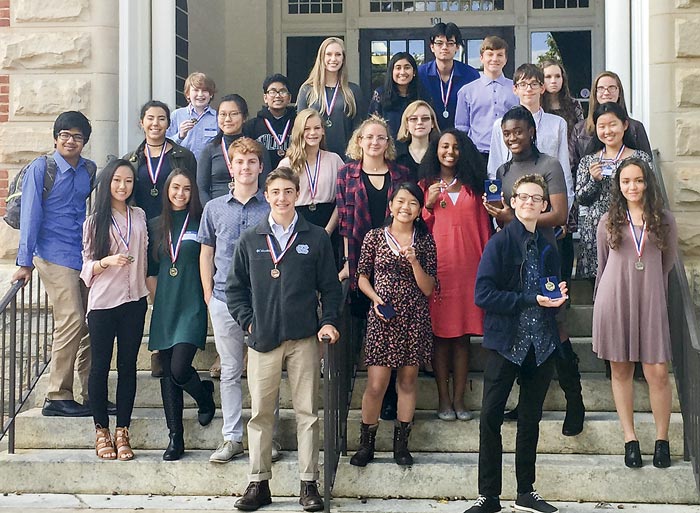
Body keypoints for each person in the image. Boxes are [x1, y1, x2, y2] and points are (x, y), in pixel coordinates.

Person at [227, 167, 342, 512]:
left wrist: (328, 322)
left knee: (307, 412)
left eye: (288, 191)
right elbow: (234, 290)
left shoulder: (316, 237)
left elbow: (331, 289)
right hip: (263, 340)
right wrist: (249, 324)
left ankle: (309, 484)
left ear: (298, 195)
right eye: (275, 191)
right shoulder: (251, 238)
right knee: (261, 414)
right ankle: (258, 484)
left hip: (304, 338)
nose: (282, 198)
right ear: (267, 195)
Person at [466, 174, 567, 513]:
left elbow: (553, 291)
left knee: (530, 419)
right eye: (523, 197)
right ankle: (489, 496)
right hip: (506, 343)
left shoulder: (549, 243)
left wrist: (558, 300)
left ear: (544, 205)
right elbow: (483, 294)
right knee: (490, 417)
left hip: (542, 344)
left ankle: (526, 491)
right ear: (512, 201)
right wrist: (528, 299)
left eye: (536, 198)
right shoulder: (499, 243)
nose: (529, 203)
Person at [484, 106, 585, 438]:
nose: (512, 137)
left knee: (555, 323)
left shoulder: (548, 165)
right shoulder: (502, 169)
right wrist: (500, 214)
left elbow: (557, 214)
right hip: (514, 257)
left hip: (545, 256)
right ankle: (523, 400)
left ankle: (575, 399)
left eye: (518, 131)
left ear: (531, 131)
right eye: (507, 133)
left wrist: (515, 217)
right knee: (519, 324)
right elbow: (507, 217)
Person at [592, 158, 676, 469]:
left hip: (651, 298)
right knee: (621, 371)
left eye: (638, 180)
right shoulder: (608, 220)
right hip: (615, 299)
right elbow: (602, 266)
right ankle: (630, 440)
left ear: (647, 183)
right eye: (626, 181)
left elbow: (666, 265)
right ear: (619, 185)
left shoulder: (664, 220)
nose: (632, 187)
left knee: (657, 372)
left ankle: (662, 440)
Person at [13, 111, 95, 417]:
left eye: (77, 136)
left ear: (85, 141)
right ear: (56, 137)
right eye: (65, 135)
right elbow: (30, 214)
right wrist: (24, 262)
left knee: (90, 322)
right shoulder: (42, 167)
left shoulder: (89, 169)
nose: (70, 141)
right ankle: (57, 394)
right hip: (52, 254)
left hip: (82, 253)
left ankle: (92, 392)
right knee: (72, 318)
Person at [349, 182, 437, 468]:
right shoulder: (374, 237)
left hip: (414, 317)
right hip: (382, 317)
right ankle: (366, 444)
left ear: (419, 209)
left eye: (413, 202)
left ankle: (402, 444)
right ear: (391, 205)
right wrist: (375, 299)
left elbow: (428, 288)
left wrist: (414, 262)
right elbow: (362, 276)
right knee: (376, 384)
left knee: (408, 381)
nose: (405, 207)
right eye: (400, 201)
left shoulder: (424, 241)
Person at [197, 137, 271, 465]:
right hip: (224, 298)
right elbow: (206, 251)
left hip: (261, 302)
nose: (245, 168)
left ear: (260, 167)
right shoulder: (214, 208)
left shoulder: (271, 207)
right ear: (231, 166)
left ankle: (264, 437)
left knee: (262, 372)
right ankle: (232, 437)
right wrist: (207, 292)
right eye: (239, 162)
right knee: (229, 370)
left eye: (251, 162)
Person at [336, 115, 410, 421]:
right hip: (361, 259)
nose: (375, 142)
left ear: (388, 143)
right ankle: (371, 391)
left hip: (396, 262)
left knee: (395, 328)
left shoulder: (401, 173)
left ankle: (392, 394)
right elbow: (344, 221)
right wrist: (346, 263)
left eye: (381, 137)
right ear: (359, 141)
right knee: (371, 329)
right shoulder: (346, 174)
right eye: (369, 137)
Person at [418, 130, 491, 422]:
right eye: (445, 146)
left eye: (456, 147)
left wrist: (488, 268)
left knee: (462, 337)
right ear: (436, 150)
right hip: (439, 269)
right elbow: (417, 228)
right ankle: (443, 400)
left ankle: (460, 400)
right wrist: (428, 205)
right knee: (440, 336)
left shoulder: (475, 187)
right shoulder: (426, 186)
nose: (450, 151)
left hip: (470, 268)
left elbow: (485, 229)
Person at [80, 158, 149, 461]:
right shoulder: (95, 221)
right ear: (107, 183)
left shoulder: (140, 215)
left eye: (129, 181)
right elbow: (85, 266)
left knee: (128, 367)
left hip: (134, 300)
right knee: (100, 367)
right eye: (117, 180)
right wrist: (105, 262)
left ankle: (123, 430)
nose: (123, 186)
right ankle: (101, 431)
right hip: (104, 302)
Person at [147, 168, 214, 461]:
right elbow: (150, 270)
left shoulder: (201, 223)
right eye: (175, 187)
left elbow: (209, 261)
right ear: (166, 190)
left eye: (186, 189)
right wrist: (155, 299)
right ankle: (176, 437)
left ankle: (203, 395)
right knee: (166, 372)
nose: (180, 194)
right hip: (165, 304)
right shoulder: (154, 225)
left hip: (192, 302)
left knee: (178, 368)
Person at [575, 102, 652, 281]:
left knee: (629, 279)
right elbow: (581, 198)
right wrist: (594, 181)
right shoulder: (589, 161)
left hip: (630, 228)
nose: (607, 131)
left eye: (612, 124)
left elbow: (650, 193)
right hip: (596, 230)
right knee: (599, 284)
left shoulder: (640, 158)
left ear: (624, 125)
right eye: (602, 126)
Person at [488, 64, 573, 212]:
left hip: (547, 204)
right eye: (523, 84)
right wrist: (498, 216)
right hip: (511, 203)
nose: (529, 89)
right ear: (515, 89)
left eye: (534, 84)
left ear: (542, 88)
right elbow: (494, 168)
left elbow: (564, 168)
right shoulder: (500, 125)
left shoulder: (557, 123)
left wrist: (563, 213)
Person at [278, 108, 345, 266]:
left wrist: (328, 230)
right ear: (299, 132)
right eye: (307, 129)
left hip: (329, 222)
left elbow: (342, 200)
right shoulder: (287, 164)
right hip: (298, 222)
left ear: (323, 130)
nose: (312, 133)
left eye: (317, 128)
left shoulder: (334, 160)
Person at [541, 59, 585, 286]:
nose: (553, 81)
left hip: (570, 170)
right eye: (548, 77)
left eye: (557, 76)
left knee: (565, 229)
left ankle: (566, 282)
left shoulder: (573, 105)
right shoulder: (538, 108)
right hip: (543, 175)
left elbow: (581, 135)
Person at [124, 100, 197, 222]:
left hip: (174, 223)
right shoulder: (130, 159)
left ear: (168, 123)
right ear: (142, 122)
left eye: (161, 119)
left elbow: (194, 193)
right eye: (150, 118)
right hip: (139, 224)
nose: (155, 123)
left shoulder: (185, 156)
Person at [198, 94, 273, 207]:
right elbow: (201, 189)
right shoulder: (209, 150)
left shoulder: (257, 148)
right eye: (223, 114)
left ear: (244, 117)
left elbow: (265, 185)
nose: (227, 119)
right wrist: (212, 212)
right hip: (218, 212)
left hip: (252, 208)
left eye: (233, 114)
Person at [297, 37, 365, 158]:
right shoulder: (307, 90)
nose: (333, 59)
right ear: (321, 57)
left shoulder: (353, 91)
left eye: (338, 54)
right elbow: (300, 129)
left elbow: (359, 129)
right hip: (313, 158)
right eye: (329, 54)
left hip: (347, 158)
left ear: (343, 58)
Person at [454, 35, 519, 161]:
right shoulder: (466, 91)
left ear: (505, 59)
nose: (495, 59)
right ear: (481, 58)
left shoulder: (516, 89)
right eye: (490, 54)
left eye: (500, 55)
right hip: (478, 154)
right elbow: (462, 128)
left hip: (510, 153)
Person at [571, 71, 652, 170]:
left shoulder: (635, 127)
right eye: (601, 88)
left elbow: (647, 168)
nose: (606, 92)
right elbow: (573, 167)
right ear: (595, 93)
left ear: (619, 92)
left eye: (612, 88)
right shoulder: (580, 129)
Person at [417, 22, 479, 131]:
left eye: (450, 43)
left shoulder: (471, 75)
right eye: (439, 43)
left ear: (457, 47)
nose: (444, 47)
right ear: (432, 47)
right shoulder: (420, 74)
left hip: (461, 137)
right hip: (427, 136)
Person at [244, 73, 297, 170]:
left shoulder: (298, 124)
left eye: (282, 91)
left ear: (289, 98)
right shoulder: (251, 126)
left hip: (292, 178)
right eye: (272, 92)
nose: (277, 96)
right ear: (265, 98)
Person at [368, 52, 427, 139]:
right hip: (388, 147)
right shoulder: (380, 94)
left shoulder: (422, 94)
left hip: (415, 146)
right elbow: (372, 125)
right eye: (398, 68)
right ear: (391, 72)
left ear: (414, 72)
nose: (402, 72)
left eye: (407, 67)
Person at [166, 72, 218, 161]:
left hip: (209, 167)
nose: (200, 94)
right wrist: (180, 135)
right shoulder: (177, 115)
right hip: (182, 165)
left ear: (211, 94)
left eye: (205, 90)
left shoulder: (217, 117)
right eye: (196, 90)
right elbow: (165, 144)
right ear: (187, 94)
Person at [395, 100, 440, 183]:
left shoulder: (440, 153)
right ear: (407, 124)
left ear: (432, 123)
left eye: (425, 118)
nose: (419, 122)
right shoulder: (396, 155)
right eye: (413, 119)